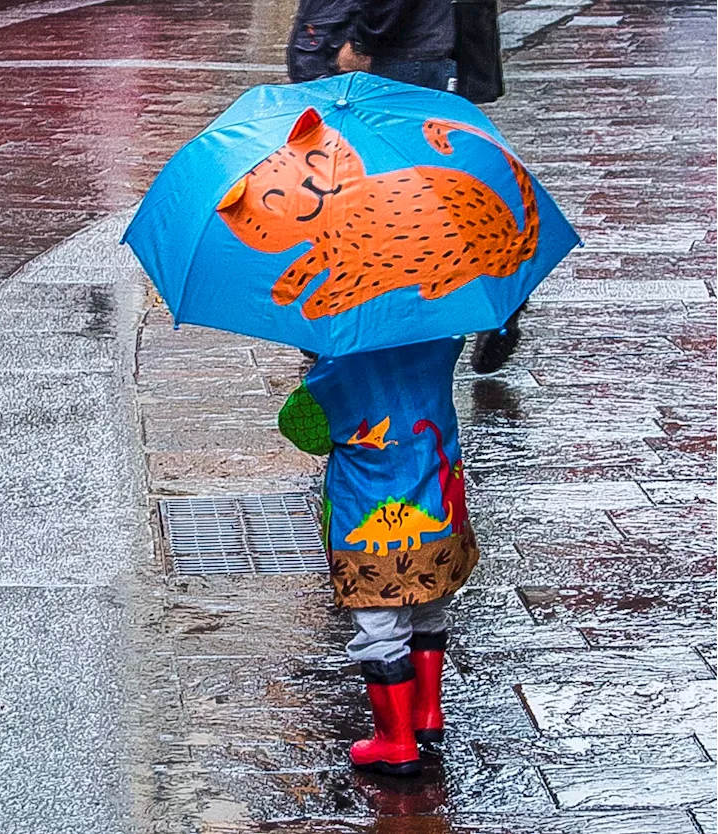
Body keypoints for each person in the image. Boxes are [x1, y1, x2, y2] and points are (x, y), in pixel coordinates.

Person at [286, 0, 524, 371]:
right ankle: (496, 300)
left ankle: (344, 323)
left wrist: (363, 41)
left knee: (369, 193)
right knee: (425, 190)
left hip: (397, 51)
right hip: (422, 46)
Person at [278, 338, 480, 777]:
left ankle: (396, 741)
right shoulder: (442, 345)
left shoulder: (337, 371)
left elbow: (302, 431)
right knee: (430, 610)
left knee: (380, 626)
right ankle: (428, 715)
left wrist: (313, 377)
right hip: (438, 512)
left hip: (370, 534)